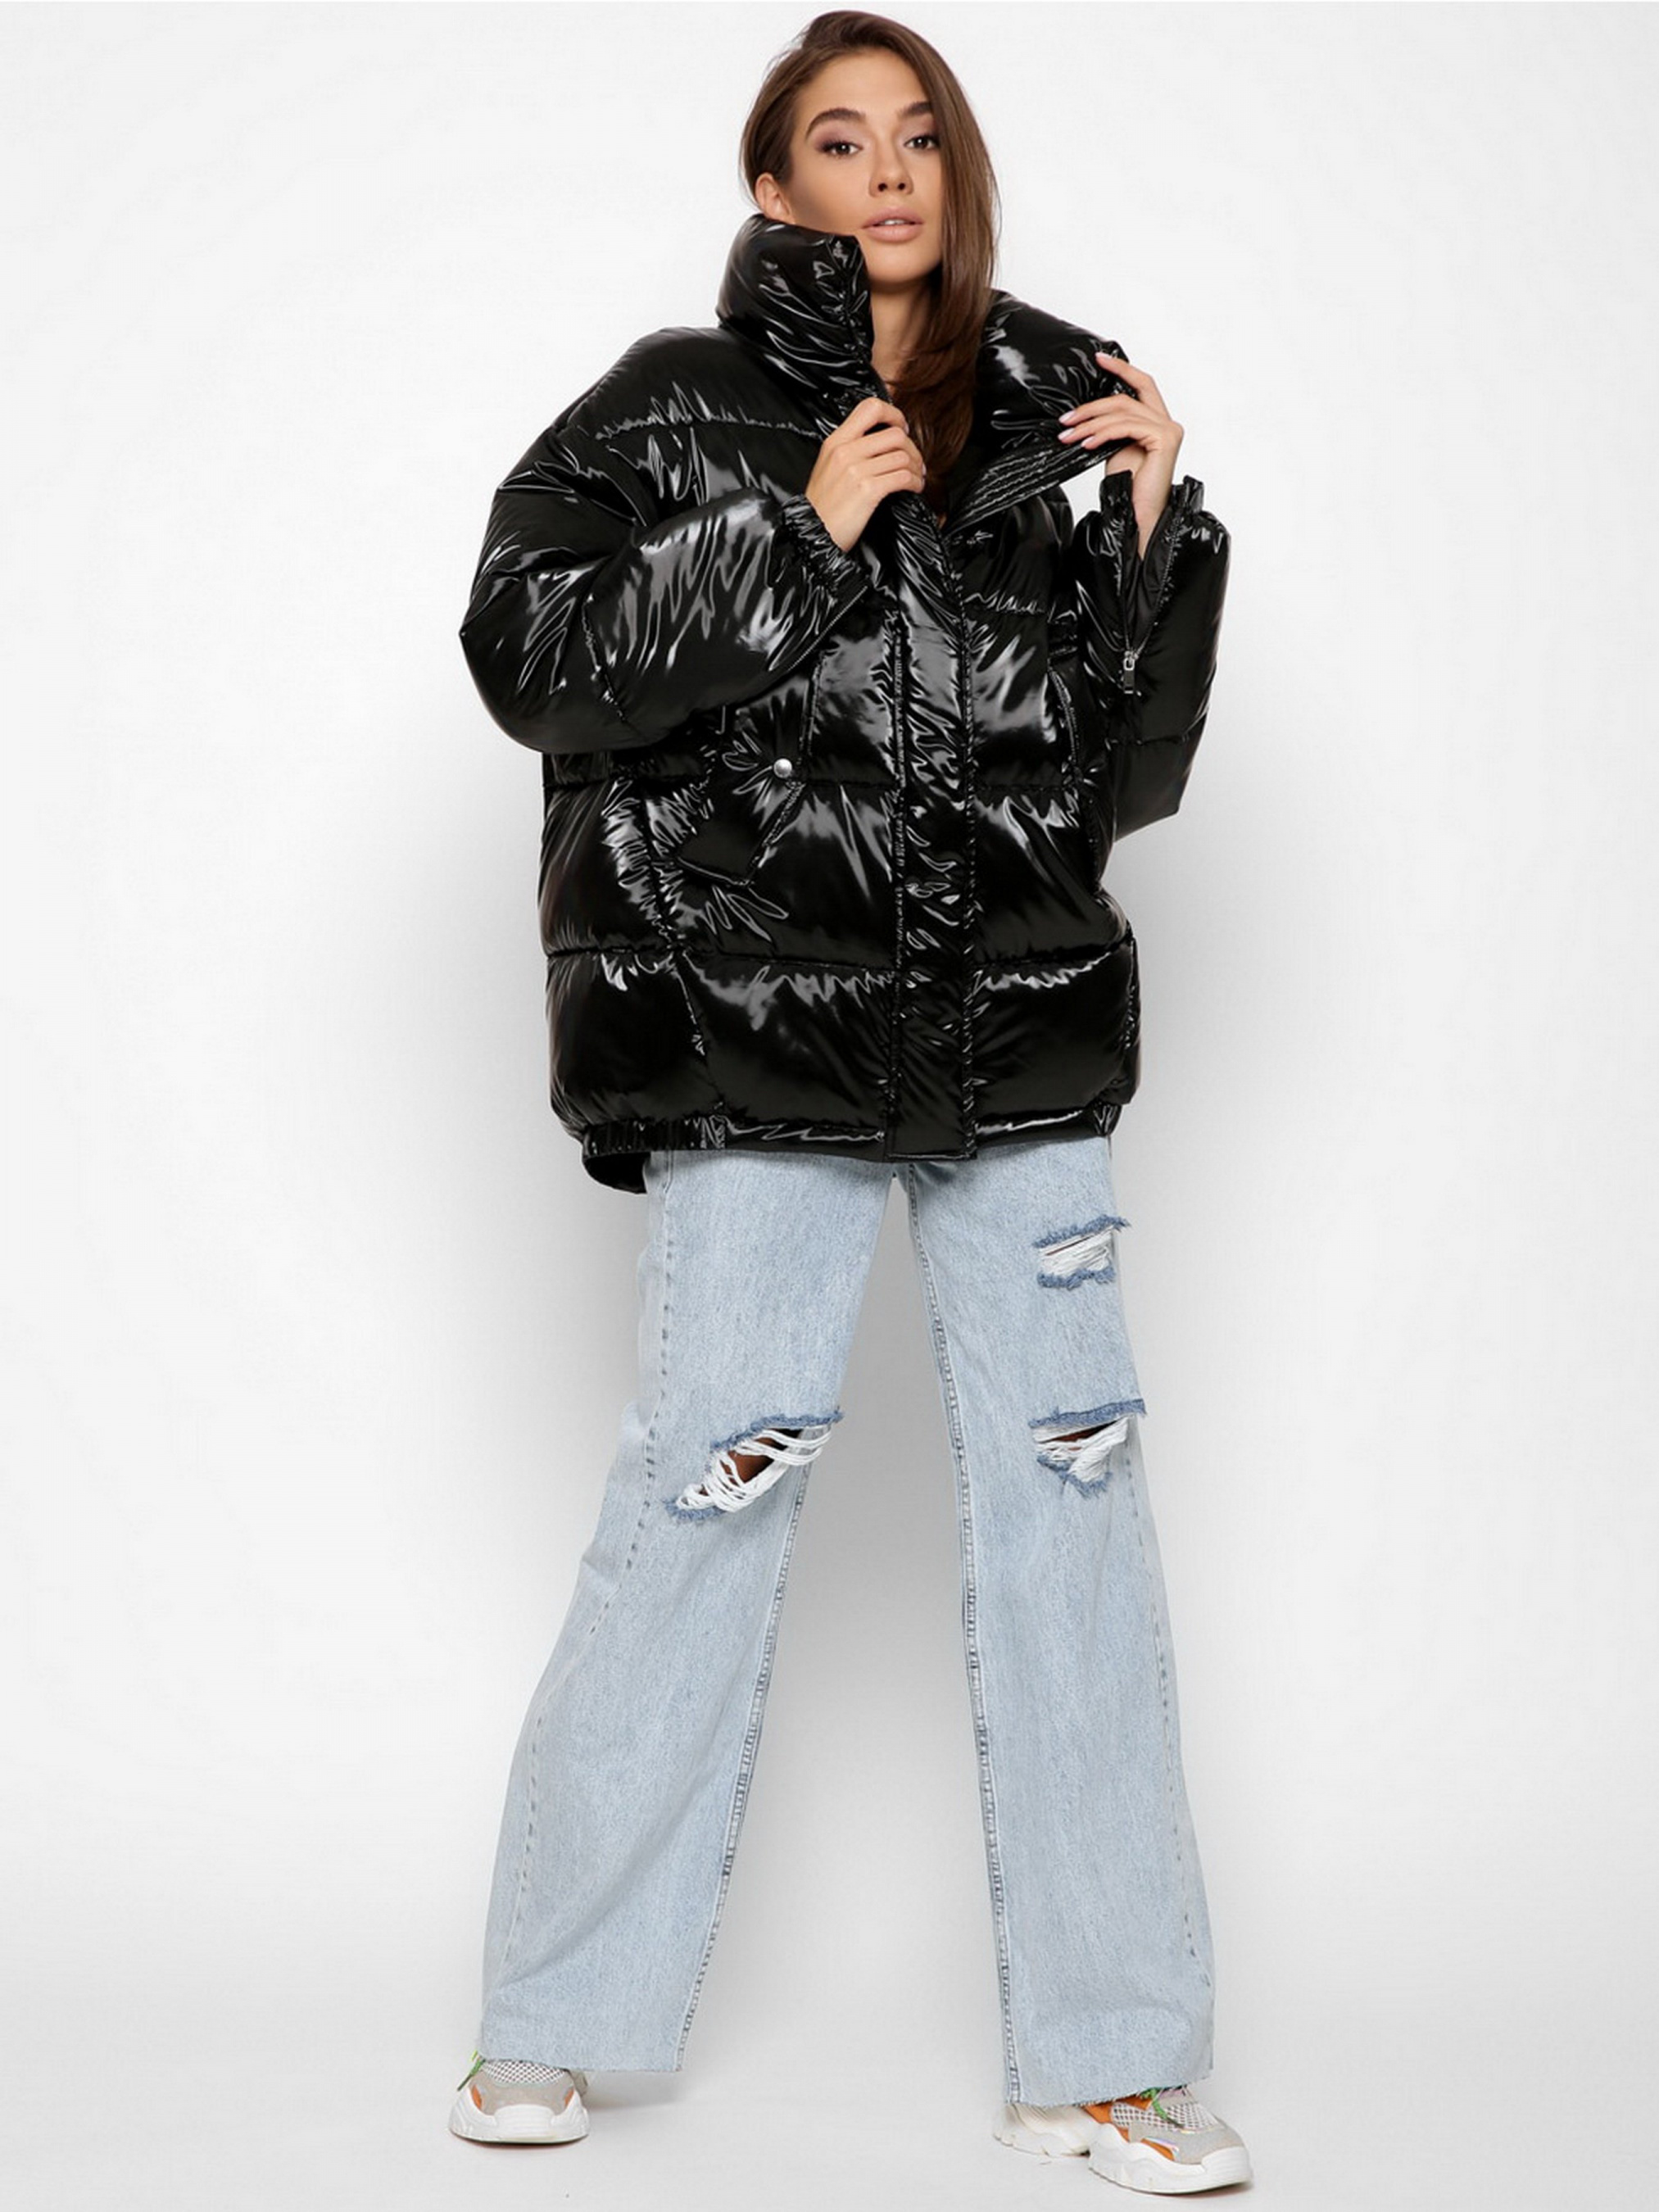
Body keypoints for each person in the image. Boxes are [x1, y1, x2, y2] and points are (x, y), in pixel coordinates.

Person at [448, 9, 1246, 2192]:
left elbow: (1110, 792)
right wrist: (795, 536)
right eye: (838, 140)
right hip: (760, 1047)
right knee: (701, 1497)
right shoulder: (668, 407)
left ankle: (1107, 2058)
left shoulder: (1050, 419)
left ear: (953, 174)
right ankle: (551, 2016)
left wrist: (1156, 537)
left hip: (1016, 1047)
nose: (886, 172)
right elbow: (530, 657)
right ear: (774, 183)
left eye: (917, 138)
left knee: (1076, 1519)